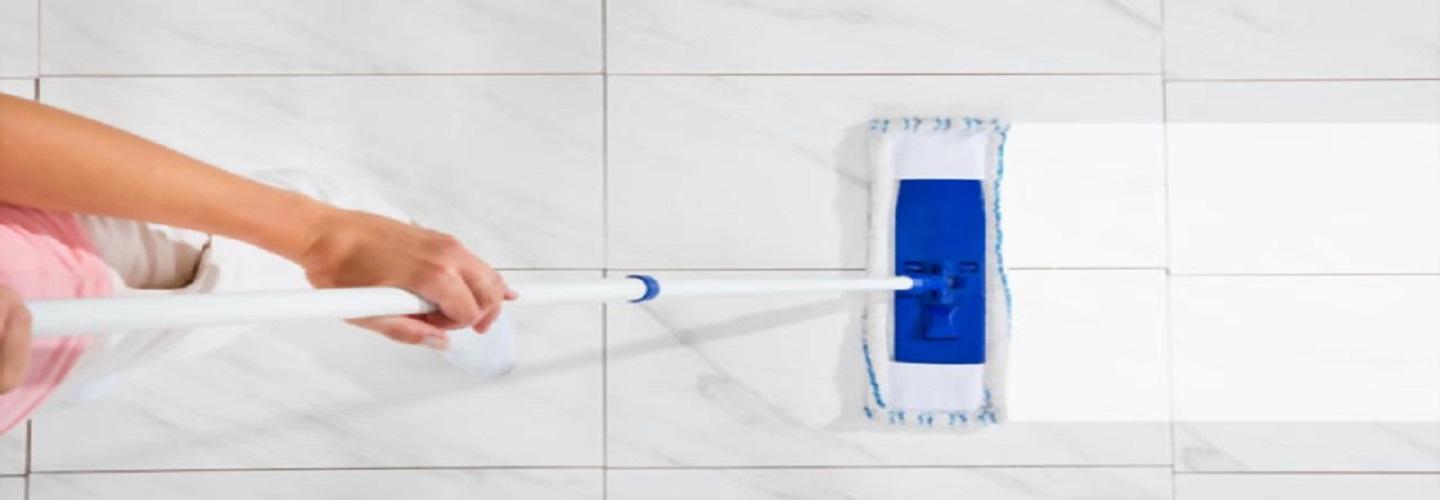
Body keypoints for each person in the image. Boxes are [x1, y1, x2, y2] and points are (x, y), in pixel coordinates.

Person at [0, 93, 515, 395]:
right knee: (164, 337)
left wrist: (323, 237)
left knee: (237, 275)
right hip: (34, 368)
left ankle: (356, 223)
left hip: (63, 253)